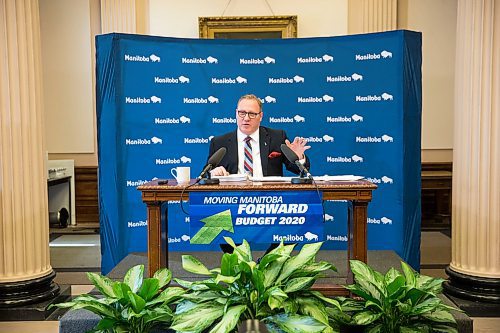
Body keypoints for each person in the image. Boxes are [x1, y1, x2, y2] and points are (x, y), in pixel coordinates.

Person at [208, 94, 310, 178]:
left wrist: (298, 158)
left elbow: (297, 170)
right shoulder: (219, 142)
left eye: (252, 114)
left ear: (260, 116)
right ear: (236, 113)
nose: (246, 118)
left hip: (269, 197)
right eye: (242, 113)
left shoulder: (277, 137)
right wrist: (213, 172)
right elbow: (206, 174)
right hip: (232, 197)